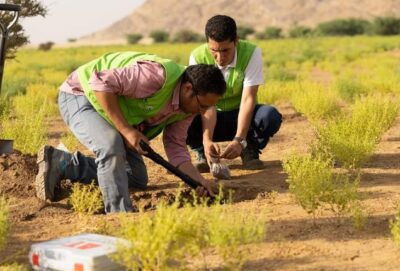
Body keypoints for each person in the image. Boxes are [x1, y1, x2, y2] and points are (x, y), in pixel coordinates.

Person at [35, 51, 226, 213]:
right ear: (188, 88)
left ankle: (63, 164)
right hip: (80, 94)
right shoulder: (156, 76)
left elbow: (176, 148)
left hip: (112, 111)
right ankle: (119, 212)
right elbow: (101, 84)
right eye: (202, 106)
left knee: (136, 178)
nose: (202, 113)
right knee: (111, 146)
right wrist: (126, 131)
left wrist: (198, 181)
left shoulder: (187, 108)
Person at [187, 15, 282, 171]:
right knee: (180, 115)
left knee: (269, 116)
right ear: (207, 44)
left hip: (239, 116)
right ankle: (202, 152)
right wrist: (207, 140)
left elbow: (248, 99)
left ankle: (248, 148)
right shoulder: (197, 56)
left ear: (236, 41)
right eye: (214, 51)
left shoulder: (251, 52)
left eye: (225, 50)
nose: (219, 57)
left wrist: (239, 139)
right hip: (209, 117)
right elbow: (204, 104)